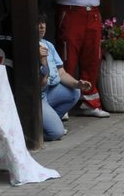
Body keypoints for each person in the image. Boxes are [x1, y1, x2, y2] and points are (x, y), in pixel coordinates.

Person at [46, 0, 112, 118]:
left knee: (92, 57)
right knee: (67, 57)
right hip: (70, 12)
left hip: (92, 12)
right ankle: (62, 102)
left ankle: (90, 102)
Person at [37, 12, 87, 142]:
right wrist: (41, 60)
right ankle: (36, 131)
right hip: (38, 96)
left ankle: (51, 120)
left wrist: (78, 83)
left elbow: (61, 73)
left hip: (51, 90)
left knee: (74, 91)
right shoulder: (25, 47)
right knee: (56, 133)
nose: (42, 26)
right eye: (37, 23)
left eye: (43, 23)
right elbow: (41, 82)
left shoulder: (48, 45)